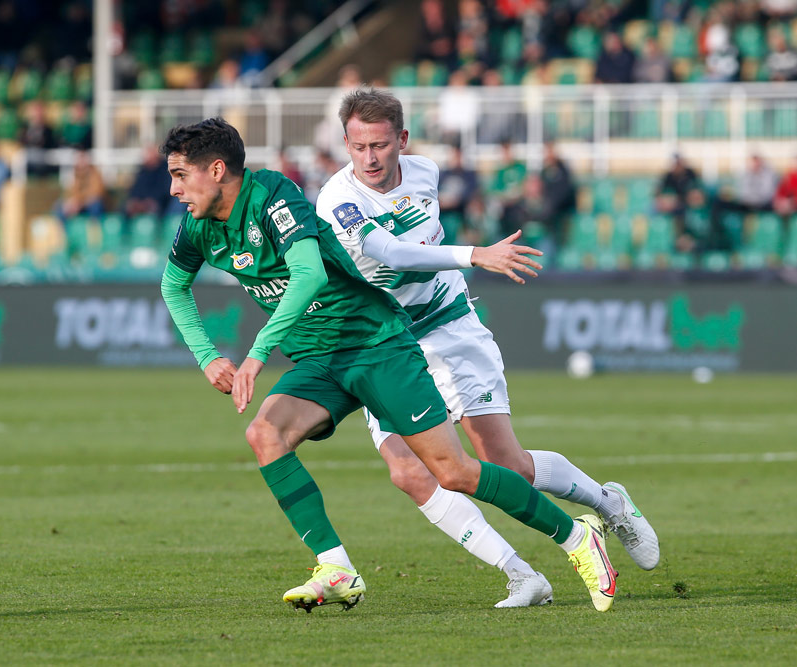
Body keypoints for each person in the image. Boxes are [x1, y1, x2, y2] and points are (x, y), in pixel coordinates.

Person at [159, 117, 620, 614]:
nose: (174, 189)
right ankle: (336, 567)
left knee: (455, 472)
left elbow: (310, 273)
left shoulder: (274, 197)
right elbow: (173, 287)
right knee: (265, 435)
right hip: (321, 358)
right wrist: (207, 357)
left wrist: (255, 355)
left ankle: (576, 538)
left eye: (181, 175)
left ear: (217, 169)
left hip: (376, 343)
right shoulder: (199, 226)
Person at [315, 88, 660, 607]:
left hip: (448, 327)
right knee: (408, 472)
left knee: (506, 465)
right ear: (346, 142)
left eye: (381, 145)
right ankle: (522, 574)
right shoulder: (337, 198)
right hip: (388, 342)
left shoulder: (426, 172)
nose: (370, 158)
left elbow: (415, 248)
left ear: (401, 141)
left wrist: (460, 260)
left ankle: (607, 502)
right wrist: (475, 254)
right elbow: (384, 248)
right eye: (359, 146)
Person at [53, 149, 105, 224]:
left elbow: (96, 192)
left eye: (82, 158)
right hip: (79, 204)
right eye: (79, 159)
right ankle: (64, 231)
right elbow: (70, 191)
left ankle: (94, 229)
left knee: (95, 205)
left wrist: (80, 202)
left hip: (89, 204)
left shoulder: (94, 173)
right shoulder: (74, 174)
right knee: (59, 205)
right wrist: (71, 202)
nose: (81, 162)